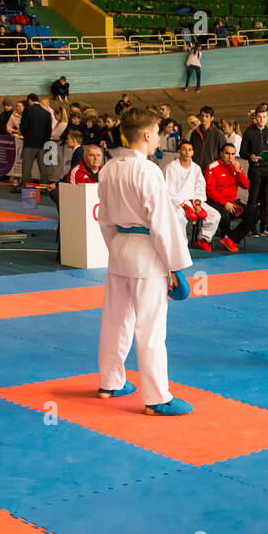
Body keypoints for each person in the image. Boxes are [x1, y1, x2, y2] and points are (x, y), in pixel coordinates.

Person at [95, 109, 194, 415]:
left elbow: (105, 220)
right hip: (147, 252)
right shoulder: (148, 171)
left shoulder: (108, 169)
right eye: (157, 133)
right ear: (148, 134)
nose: (159, 139)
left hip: (120, 249)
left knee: (115, 318)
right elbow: (163, 224)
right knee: (150, 327)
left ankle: (110, 382)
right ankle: (156, 398)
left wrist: (116, 249)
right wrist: (175, 267)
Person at [164, 139, 218, 251]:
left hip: (194, 201)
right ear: (179, 151)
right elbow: (168, 190)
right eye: (184, 149)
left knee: (215, 215)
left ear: (193, 152)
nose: (187, 152)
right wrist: (183, 205)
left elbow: (200, 186)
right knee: (178, 217)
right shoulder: (171, 167)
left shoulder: (196, 168)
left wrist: (197, 203)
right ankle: (182, 245)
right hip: (177, 202)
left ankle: (202, 239)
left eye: (189, 150)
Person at [205, 142, 256, 252]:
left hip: (232, 201)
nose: (230, 157)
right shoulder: (212, 167)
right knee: (224, 216)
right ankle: (225, 236)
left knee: (254, 213)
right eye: (227, 153)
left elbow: (246, 185)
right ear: (221, 154)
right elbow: (210, 191)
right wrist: (224, 203)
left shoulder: (236, 166)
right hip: (215, 202)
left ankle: (231, 238)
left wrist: (239, 172)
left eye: (233, 154)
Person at [240, 104, 268, 237]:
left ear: (267, 118)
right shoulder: (248, 133)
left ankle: (265, 227)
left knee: (265, 199)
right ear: (255, 118)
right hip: (255, 170)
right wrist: (250, 156)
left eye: (264, 117)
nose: (262, 119)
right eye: (259, 117)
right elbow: (242, 152)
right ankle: (251, 227)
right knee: (252, 200)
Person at [17, 93, 52, 190]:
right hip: (42, 144)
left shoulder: (27, 110)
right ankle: (44, 186)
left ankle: (26, 186)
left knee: (27, 167)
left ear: (29, 101)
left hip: (30, 143)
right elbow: (49, 131)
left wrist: (25, 135)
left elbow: (23, 126)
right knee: (43, 167)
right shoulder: (47, 113)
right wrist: (45, 141)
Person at [189, 105, 226, 172]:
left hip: (212, 169)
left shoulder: (218, 134)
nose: (204, 118)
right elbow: (191, 150)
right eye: (202, 115)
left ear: (211, 118)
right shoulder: (194, 133)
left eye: (206, 116)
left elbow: (224, 152)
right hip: (196, 169)